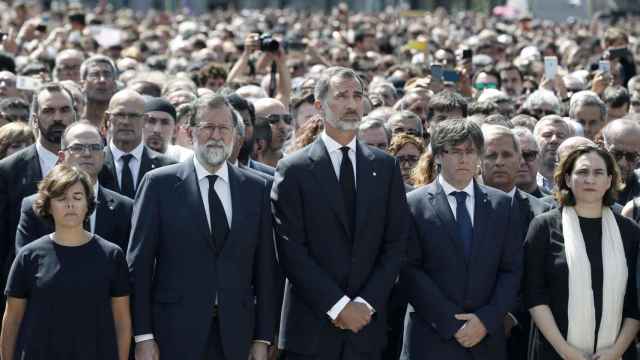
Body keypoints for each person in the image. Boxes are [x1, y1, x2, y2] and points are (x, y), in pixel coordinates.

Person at [271, 66, 409, 359]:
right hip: (310, 331)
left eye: (357, 95)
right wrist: (337, 305)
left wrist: (366, 304)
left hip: (367, 330)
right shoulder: (294, 169)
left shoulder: (385, 167)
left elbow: (396, 243)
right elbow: (290, 248)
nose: (351, 103)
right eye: (341, 95)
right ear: (319, 106)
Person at [127, 94, 277, 360]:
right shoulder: (158, 185)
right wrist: (143, 336)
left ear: (235, 134)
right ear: (189, 131)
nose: (216, 136)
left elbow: (266, 268)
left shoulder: (257, 188)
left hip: (237, 336)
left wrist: (263, 337)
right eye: (208, 127)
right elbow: (139, 265)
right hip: (172, 334)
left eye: (224, 129)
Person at [401, 118, 521, 359]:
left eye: (470, 151)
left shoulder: (503, 205)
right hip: (431, 338)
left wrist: (485, 320)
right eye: (455, 151)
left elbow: (512, 270)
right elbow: (408, 270)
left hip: (485, 340)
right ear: (437, 156)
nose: (464, 158)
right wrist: (451, 323)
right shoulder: (413, 204)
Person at [0, 164, 132, 360]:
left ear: (88, 203)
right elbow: (11, 322)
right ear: (48, 205)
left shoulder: (112, 255)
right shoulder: (28, 256)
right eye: (61, 198)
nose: (70, 204)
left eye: (77, 197)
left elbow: (121, 322)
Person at [524, 145, 640, 360]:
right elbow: (534, 295)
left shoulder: (630, 232)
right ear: (567, 179)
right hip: (555, 351)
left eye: (598, 173)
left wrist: (616, 351)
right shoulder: (543, 227)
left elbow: (635, 301)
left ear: (609, 181)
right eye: (582, 172)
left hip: (617, 354)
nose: (590, 180)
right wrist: (567, 352)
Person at [0, 82, 78, 312]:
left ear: (75, 115)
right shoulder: (8, 171)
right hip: (25, 296)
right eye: (48, 111)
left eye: (64, 110)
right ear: (34, 119)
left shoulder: (96, 165)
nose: (57, 117)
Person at [480, 124, 551, 359]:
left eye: (507, 154)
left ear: (520, 160)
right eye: (491, 155)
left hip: (528, 332)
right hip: (469, 328)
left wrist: (511, 315)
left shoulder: (544, 213)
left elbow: (545, 274)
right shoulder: (461, 208)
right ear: (479, 160)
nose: (499, 161)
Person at [15, 122, 133, 252]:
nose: (87, 153)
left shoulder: (125, 208)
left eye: (95, 147)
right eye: (77, 147)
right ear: (61, 157)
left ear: (103, 156)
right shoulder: (34, 206)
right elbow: (26, 261)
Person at [98, 90, 175, 198]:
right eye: (120, 115)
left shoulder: (168, 168)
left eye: (133, 116)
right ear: (107, 118)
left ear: (145, 120)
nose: (126, 122)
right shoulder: (95, 164)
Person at [141, 96, 193, 162]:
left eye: (165, 123)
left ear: (175, 130)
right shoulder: (127, 156)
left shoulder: (186, 159)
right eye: (151, 121)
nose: (157, 130)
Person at [601, 119, 640, 206]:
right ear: (603, 149)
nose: (622, 163)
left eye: (631, 156)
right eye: (616, 154)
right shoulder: (587, 184)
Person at [533, 115, 574, 193]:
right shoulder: (525, 181)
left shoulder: (574, 183)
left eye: (561, 136)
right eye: (547, 135)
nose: (554, 140)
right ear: (534, 140)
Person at [80, 55, 118, 128]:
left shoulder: (122, 124)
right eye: (94, 75)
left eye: (107, 75)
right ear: (82, 85)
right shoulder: (73, 122)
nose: (102, 80)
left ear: (114, 85)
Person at [253, 98, 291, 168]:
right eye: (273, 119)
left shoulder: (293, 166)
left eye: (287, 119)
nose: (282, 126)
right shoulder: (239, 165)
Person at [513, 127, 548, 198]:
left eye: (528, 155)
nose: (522, 162)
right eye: (516, 156)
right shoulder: (491, 204)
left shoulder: (555, 204)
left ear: (539, 158)